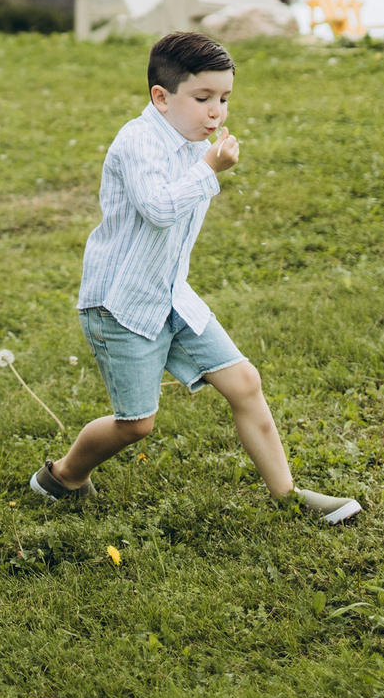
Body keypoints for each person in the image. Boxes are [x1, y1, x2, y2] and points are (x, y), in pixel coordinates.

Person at [29, 31, 362, 524]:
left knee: (245, 382)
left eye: (224, 99)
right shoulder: (138, 140)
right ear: (160, 98)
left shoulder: (193, 141)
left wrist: (205, 160)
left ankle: (287, 496)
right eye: (203, 98)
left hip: (171, 296)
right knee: (136, 425)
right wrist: (209, 167)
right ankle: (61, 476)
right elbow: (159, 209)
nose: (217, 113)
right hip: (120, 304)